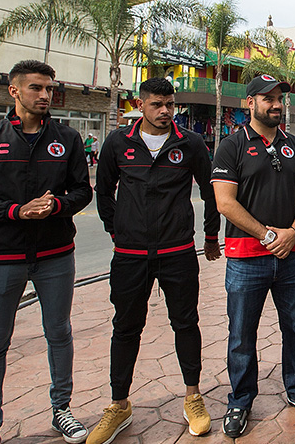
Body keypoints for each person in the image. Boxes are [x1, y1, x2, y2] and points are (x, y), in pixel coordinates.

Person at [0, 60, 93, 444]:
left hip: (56, 254)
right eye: (36, 88)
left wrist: (57, 205)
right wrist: (16, 211)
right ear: (14, 91)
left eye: (49, 89)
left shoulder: (67, 138)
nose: (45, 95)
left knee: (59, 333)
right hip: (2, 255)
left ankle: (62, 410)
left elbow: (83, 191)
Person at [90, 77, 222, 443]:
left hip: (178, 252)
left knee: (186, 324)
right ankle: (119, 405)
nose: (165, 111)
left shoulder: (190, 143)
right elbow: (104, 191)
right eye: (156, 104)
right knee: (125, 328)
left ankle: (193, 397)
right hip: (130, 255)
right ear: (140, 105)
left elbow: (210, 190)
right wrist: (116, 231)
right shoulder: (118, 142)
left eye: (170, 104)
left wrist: (211, 236)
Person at [211, 75, 295, 438]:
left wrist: (293, 231)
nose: (276, 105)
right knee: (242, 335)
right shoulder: (231, 146)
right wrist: (268, 235)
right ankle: (241, 400)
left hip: (293, 256)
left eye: (279, 99)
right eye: (268, 98)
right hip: (246, 259)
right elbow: (225, 203)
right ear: (250, 103)